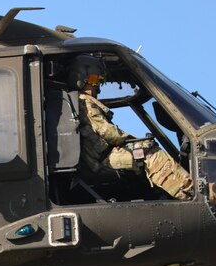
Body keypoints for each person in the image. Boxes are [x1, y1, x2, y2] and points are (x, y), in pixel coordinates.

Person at [70, 55, 193, 201]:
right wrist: (133, 141)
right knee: (151, 154)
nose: (97, 86)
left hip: (103, 156)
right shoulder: (85, 102)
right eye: (94, 80)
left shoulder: (78, 102)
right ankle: (189, 193)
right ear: (80, 80)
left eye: (100, 81)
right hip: (105, 159)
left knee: (144, 149)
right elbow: (109, 133)